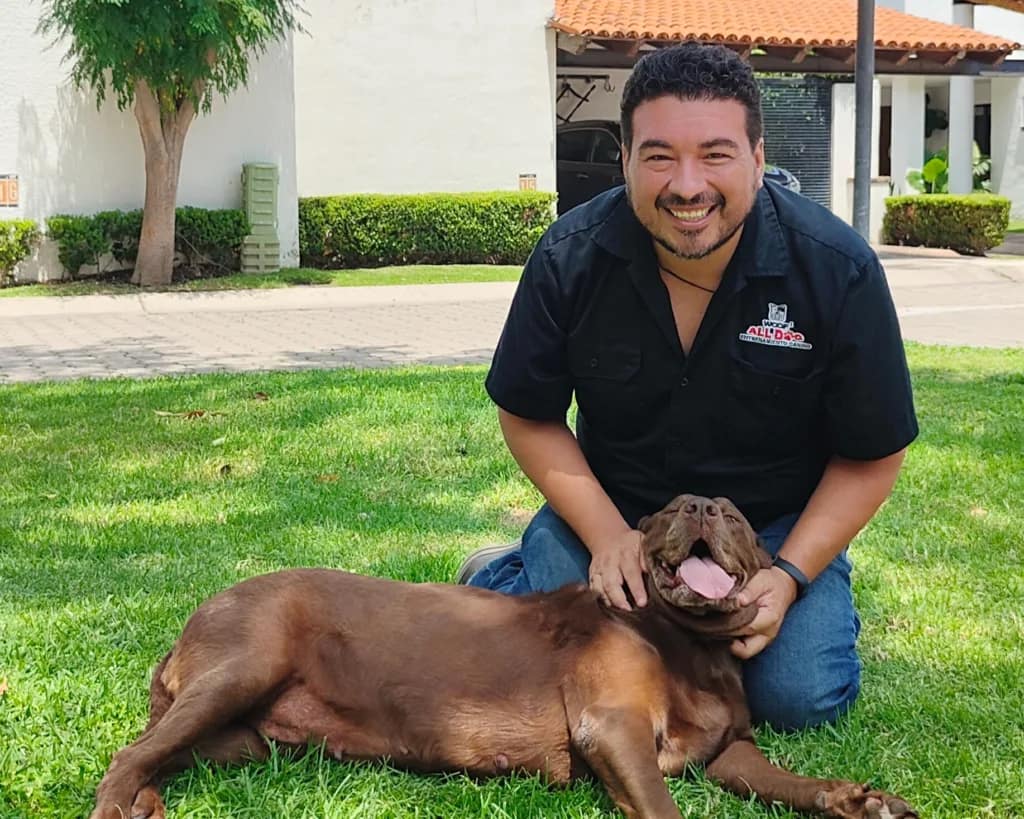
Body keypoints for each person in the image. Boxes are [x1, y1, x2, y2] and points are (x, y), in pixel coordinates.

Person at [459, 43, 918, 731]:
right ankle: (506, 572)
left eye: (715, 154)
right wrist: (609, 533)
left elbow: (873, 453)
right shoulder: (570, 256)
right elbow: (529, 414)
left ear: (759, 161)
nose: (687, 184)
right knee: (572, 658)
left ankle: (805, 601)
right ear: (626, 161)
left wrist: (790, 574)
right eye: (660, 156)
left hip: (767, 531)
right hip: (619, 519)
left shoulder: (836, 269)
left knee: (796, 699)